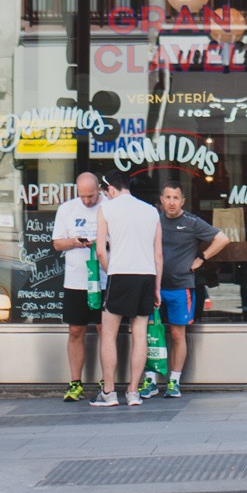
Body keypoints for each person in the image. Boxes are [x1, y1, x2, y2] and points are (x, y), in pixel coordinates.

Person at [92, 172, 161, 408]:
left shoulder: (107, 210)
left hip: (120, 274)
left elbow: (100, 250)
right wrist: (157, 288)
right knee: (139, 333)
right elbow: (158, 255)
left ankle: (109, 392)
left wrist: (110, 270)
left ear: (110, 189)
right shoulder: (151, 211)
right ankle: (134, 391)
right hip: (147, 275)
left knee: (109, 333)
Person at [154, 179, 227, 399]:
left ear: (183, 201)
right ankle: (149, 380)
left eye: (176, 198)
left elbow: (222, 239)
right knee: (151, 335)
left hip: (180, 287)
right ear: (161, 200)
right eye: (168, 197)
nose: (172, 202)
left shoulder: (191, 222)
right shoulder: (154, 222)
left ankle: (174, 381)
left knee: (178, 335)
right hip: (154, 287)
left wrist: (201, 258)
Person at [51, 173, 107, 402]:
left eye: (91, 196)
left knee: (106, 331)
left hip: (104, 278)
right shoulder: (67, 209)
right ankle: (75, 382)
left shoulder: (110, 206)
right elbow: (57, 243)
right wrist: (75, 242)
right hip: (76, 280)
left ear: (99, 190)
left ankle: (107, 380)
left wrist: (101, 242)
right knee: (76, 331)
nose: (86, 201)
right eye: (82, 196)